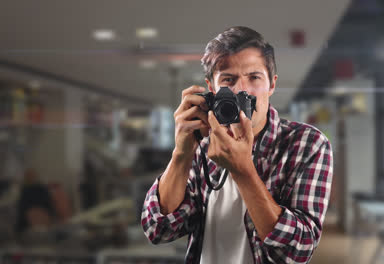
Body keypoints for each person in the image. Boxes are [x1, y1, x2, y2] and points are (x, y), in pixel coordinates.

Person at [141, 26, 333, 264]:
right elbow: (158, 230)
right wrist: (181, 152)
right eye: (228, 80)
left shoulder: (307, 144)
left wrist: (243, 169)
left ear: (272, 85)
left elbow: (297, 252)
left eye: (254, 77)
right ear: (211, 89)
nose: (242, 90)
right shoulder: (201, 147)